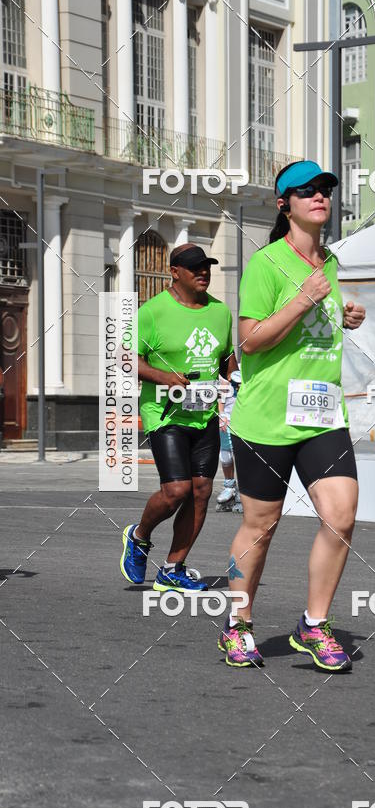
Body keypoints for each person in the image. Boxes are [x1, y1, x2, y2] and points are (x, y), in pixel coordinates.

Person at [217, 160, 366, 670]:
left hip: (323, 413)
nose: (319, 197)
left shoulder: (332, 263)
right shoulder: (266, 264)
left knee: (341, 514)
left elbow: (316, 331)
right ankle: (238, 624)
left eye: (325, 188)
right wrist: (304, 300)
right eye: (306, 191)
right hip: (267, 418)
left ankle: (314, 623)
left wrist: (345, 316)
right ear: (285, 204)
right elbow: (250, 342)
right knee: (261, 525)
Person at [120, 243, 237, 592]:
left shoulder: (220, 312)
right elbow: (126, 360)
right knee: (176, 490)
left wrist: (237, 379)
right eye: (195, 267)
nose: (204, 272)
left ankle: (173, 568)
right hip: (165, 413)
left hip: (204, 414)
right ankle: (139, 536)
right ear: (174, 272)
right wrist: (164, 377)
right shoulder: (152, 312)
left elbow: (225, 358)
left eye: (207, 267)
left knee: (201, 491)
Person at [216, 370, 243, 512]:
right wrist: (221, 416)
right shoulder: (221, 374)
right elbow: (220, 398)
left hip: (244, 422)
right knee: (225, 456)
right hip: (227, 421)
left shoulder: (249, 370)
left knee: (242, 457)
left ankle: (244, 491)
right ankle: (229, 487)